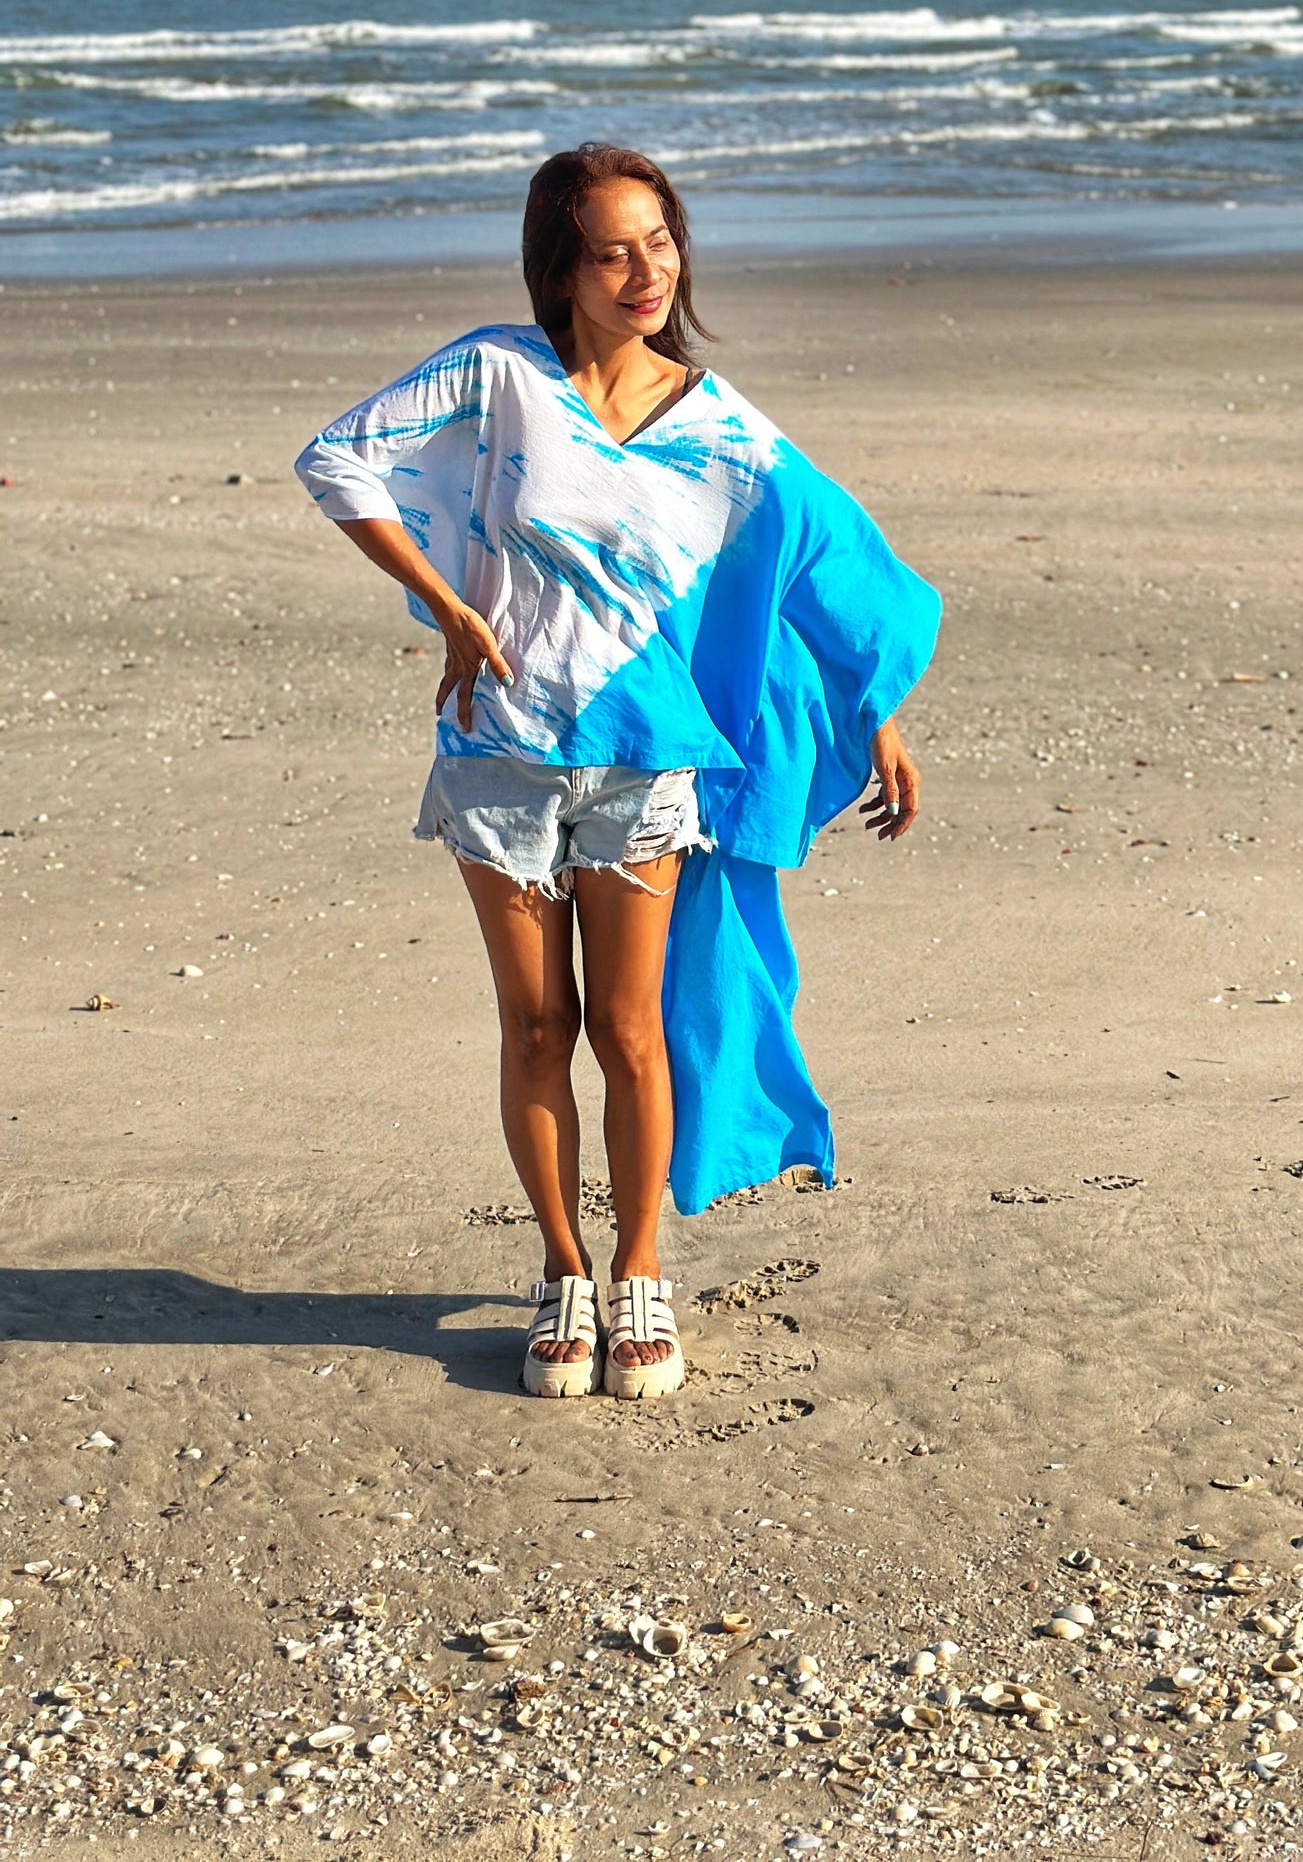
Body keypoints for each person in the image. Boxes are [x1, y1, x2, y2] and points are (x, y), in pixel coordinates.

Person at [293, 142, 938, 1400]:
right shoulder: (496, 374)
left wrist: (875, 715)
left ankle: (640, 1272)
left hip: (643, 764)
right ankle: (561, 1273)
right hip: (501, 754)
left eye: (660, 241)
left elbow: (827, 565)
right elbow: (336, 458)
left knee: (628, 1030)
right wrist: (447, 608)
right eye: (611, 249)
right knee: (535, 1027)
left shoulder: (719, 424)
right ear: (562, 266)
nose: (645, 270)